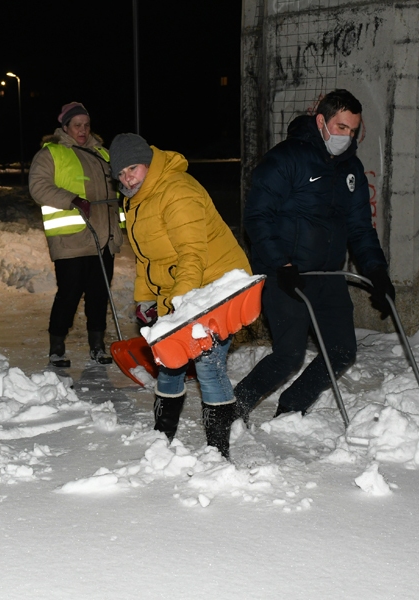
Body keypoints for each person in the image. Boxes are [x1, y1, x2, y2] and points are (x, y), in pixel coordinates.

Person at [234, 89, 395, 422]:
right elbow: (257, 217)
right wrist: (281, 263)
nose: (346, 136)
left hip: (328, 275)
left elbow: (360, 229)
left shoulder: (351, 169)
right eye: (341, 127)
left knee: (342, 351)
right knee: (289, 356)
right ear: (321, 121)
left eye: (352, 130)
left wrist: (377, 271)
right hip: (286, 275)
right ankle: (233, 406)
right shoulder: (286, 159)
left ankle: (292, 406)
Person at [109, 133, 251, 459]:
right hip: (182, 290)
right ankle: (162, 436)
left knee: (208, 366)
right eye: (121, 174)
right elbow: (147, 258)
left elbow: (191, 255)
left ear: (148, 162)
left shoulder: (177, 191)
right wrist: (146, 298)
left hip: (216, 287)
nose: (128, 178)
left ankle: (218, 452)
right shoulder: (136, 199)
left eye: (133, 168)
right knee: (168, 362)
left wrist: (180, 306)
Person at [28, 102, 124, 367]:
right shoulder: (51, 153)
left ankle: (97, 346)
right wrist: (71, 199)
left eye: (86, 125)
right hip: (71, 239)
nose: (83, 130)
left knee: (99, 294)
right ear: (65, 127)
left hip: (104, 238)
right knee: (69, 294)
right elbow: (38, 187)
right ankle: (57, 347)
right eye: (77, 125)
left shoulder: (103, 153)